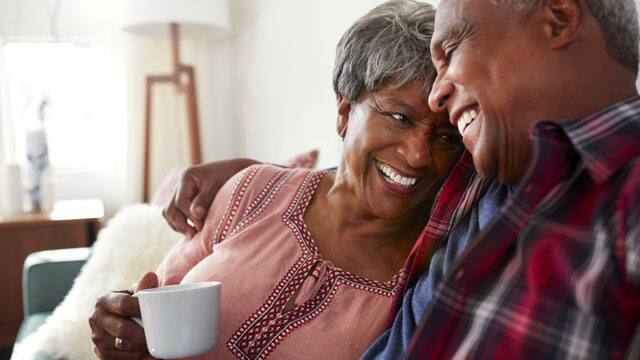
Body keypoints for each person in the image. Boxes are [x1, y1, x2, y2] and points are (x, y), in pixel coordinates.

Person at [167, 0, 640, 358]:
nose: (438, 93)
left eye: (451, 51)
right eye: (399, 116)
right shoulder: (488, 185)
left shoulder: (620, 195)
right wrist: (252, 177)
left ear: (558, 20)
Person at [89, 1, 465, 359]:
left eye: (446, 138)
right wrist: (120, 331)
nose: (418, 155)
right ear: (345, 111)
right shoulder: (252, 189)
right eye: (399, 118)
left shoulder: (430, 278)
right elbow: (152, 304)